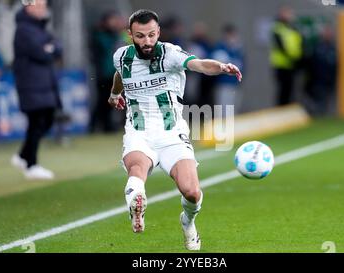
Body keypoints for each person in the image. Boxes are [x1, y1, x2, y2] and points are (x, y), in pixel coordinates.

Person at [108, 10, 242, 251]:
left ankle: (187, 222)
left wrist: (221, 67)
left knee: (191, 192)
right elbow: (120, 74)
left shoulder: (170, 53)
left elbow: (199, 64)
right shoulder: (121, 56)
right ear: (130, 35)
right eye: (140, 36)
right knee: (138, 168)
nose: (147, 41)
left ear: (158, 32)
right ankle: (137, 204)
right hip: (139, 132)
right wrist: (115, 94)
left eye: (151, 35)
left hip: (172, 134)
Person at [11, 0, 62, 180]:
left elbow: (57, 48)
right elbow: (41, 53)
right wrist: (49, 49)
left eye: (43, 6)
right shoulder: (23, 30)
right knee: (36, 123)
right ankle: (31, 164)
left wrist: (50, 48)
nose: (42, 9)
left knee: (46, 121)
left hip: (44, 84)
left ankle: (23, 156)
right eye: (38, 6)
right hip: (31, 84)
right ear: (28, 7)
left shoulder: (41, 28)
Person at [90, 11, 125, 133]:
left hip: (116, 74)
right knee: (103, 101)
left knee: (115, 101)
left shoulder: (118, 35)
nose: (115, 23)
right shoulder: (100, 35)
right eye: (112, 20)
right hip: (105, 74)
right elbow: (105, 50)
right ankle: (95, 126)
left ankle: (109, 126)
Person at [270, 6, 303, 106]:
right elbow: (281, 47)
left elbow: (298, 44)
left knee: (290, 90)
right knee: (283, 90)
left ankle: (287, 107)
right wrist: (292, 57)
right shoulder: (277, 28)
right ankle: (281, 109)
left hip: (292, 65)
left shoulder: (292, 28)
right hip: (281, 64)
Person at [211, 24, 244, 118]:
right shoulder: (220, 47)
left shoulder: (238, 48)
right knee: (222, 111)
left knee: (234, 110)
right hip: (224, 84)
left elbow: (241, 65)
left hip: (235, 84)